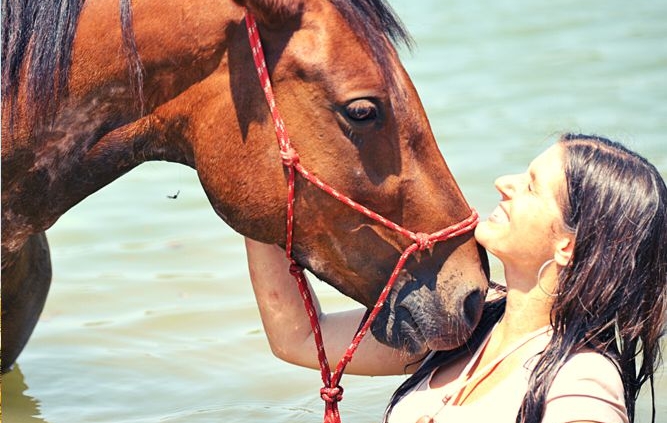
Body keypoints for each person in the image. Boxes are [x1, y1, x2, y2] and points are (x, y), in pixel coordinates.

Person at [244, 133, 667, 423]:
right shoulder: (465, 320)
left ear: (567, 245)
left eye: (532, 187)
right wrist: (255, 194)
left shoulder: (582, 376)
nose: (505, 183)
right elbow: (298, 337)